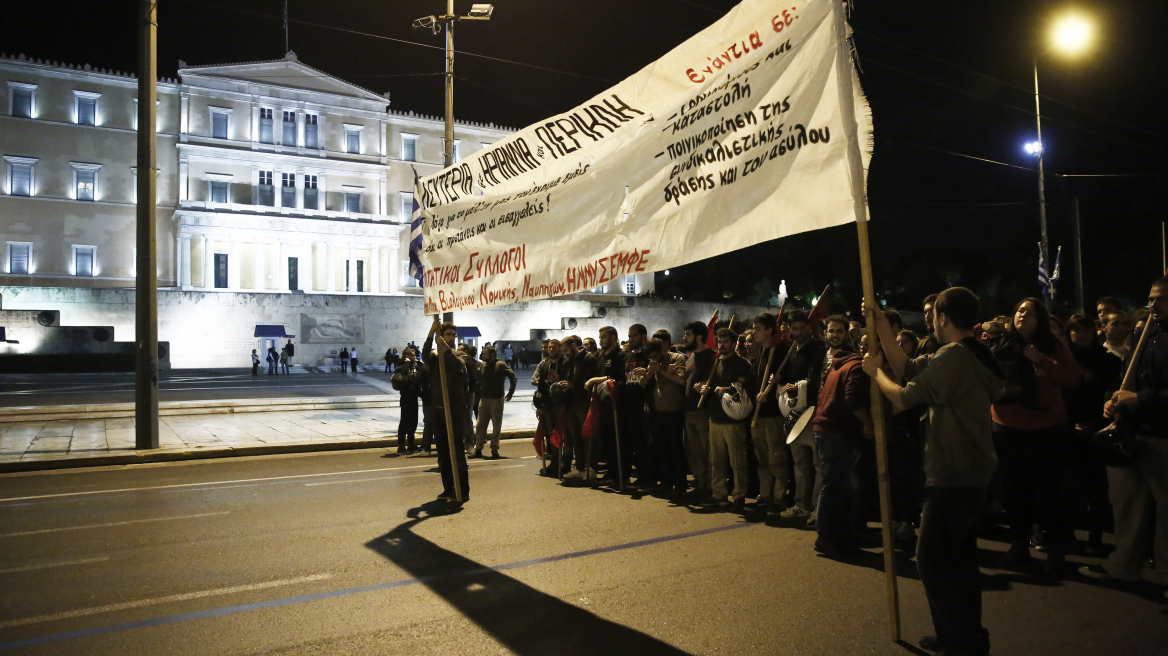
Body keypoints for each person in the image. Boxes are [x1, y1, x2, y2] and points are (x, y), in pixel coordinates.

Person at [864, 286, 1003, 656]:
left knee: (933, 560)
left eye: (932, 317)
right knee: (959, 559)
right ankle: (963, 634)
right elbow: (908, 367)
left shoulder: (956, 356)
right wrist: (881, 326)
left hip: (955, 472)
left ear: (942, 318)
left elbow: (906, 394)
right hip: (966, 469)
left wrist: (876, 374)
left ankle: (959, 641)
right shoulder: (965, 353)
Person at [1081, 278, 1168, 596]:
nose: (1154, 304)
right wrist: (1111, 398)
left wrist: (1140, 398)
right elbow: (1123, 377)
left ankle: (1165, 574)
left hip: (1163, 435)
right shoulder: (1148, 334)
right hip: (1133, 434)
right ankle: (1124, 566)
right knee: (1126, 504)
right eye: (1151, 298)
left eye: (1161, 299)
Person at [991, 297, 1082, 572]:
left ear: (1040, 319)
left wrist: (1040, 359)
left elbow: (1073, 378)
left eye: (1029, 313)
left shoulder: (1053, 345)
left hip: (1045, 428)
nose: (1022, 316)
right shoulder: (1000, 344)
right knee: (1015, 492)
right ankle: (1019, 546)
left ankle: (1055, 550)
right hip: (1006, 426)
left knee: (1048, 492)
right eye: (1019, 310)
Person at [810, 317, 872, 555]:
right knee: (833, 485)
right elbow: (852, 399)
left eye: (839, 331)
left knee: (837, 483)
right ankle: (826, 536)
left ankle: (839, 531)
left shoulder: (839, 363)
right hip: (835, 430)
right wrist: (867, 423)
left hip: (827, 428)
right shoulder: (854, 365)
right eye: (831, 331)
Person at [1062, 313, 1122, 555]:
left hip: (1097, 431)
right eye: (1076, 329)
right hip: (1065, 431)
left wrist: (1094, 424)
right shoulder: (1061, 360)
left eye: (1086, 329)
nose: (1082, 334)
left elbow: (1111, 392)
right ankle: (1068, 536)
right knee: (1068, 487)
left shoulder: (1108, 361)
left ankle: (1095, 537)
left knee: (1097, 488)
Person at [776, 310, 828, 523]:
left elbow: (815, 381)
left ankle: (818, 507)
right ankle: (801, 505)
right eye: (794, 329)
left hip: (813, 411)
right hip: (795, 413)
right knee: (800, 464)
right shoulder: (792, 352)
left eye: (801, 328)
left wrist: (800, 389)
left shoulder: (819, 350)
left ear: (810, 327)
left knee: (817, 464)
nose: (798, 332)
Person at [700, 327, 756, 512]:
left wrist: (725, 389)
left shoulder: (742, 363)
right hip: (715, 417)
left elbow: (743, 386)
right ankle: (719, 493)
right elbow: (709, 383)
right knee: (716, 459)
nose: (721, 345)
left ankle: (739, 494)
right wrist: (703, 388)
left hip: (733, 418)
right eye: (719, 341)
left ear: (733, 344)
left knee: (737, 459)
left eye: (725, 342)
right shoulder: (715, 361)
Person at [423, 318, 470, 502]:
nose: (450, 337)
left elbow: (458, 367)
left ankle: (462, 489)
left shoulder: (459, 355)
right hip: (438, 409)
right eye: (447, 335)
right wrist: (431, 331)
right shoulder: (435, 357)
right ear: (440, 336)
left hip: (455, 409)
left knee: (456, 452)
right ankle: (448, 488)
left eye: (452, 335)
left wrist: (446, 350)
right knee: (443, 452)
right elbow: (425, 355)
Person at [749, 313, 790, 513]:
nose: (754, 332)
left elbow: (785, 383)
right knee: (763, 459)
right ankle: (765, 494)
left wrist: (773, 390)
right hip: (758, 414)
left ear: (769, 330)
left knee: (777, 458)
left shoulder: (780, 352)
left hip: (773, 414)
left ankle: (779, 496)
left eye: (757, 329)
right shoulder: (762, 353)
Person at [644, 333, 688, 499]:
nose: (653, 359)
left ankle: (680, 483)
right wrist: (650, 372)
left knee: (675, 448)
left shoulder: (677, 358)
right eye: (651, 357)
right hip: (658, 410)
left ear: (662, 349)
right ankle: (666, 482)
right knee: (661, 448)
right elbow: (643, 382)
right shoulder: (654, 362)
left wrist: (661, 370)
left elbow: (682, 381)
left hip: (674, 409)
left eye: (655, 355)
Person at [683, 320, 716, 502]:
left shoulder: (712, 357)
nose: (684, 338)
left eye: (688, 334)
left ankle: (710, 486)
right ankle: (700, 481)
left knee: (706, 450)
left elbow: (716, 379)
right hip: (688, 410)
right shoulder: (691, 357)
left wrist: (707, 385)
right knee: (693, 450)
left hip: (703, 411)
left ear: (699, 337)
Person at [474, 344, 516, 459]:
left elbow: (513, 376)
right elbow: (479, 379)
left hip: (497, 399)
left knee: (496, 425)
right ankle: (478, 448)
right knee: (480, 424)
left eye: (485, 353)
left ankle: (494, 449)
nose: (483, 355)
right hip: (484, 399)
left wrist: (510, 392)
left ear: (492, 354)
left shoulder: (500, 365)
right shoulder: (483, 365)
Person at [394, 348, 422, 454]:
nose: (414, 357)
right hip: (405, 396)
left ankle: (411, 444)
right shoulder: (401, 363)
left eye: (414, 355)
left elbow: (424, 369)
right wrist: (406, 362)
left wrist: (418, 363)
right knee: (404, 421)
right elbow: (402, 372)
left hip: (414, 396)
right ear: (406, 356)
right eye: (412, 355)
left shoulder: (416, 365)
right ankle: (401, 445)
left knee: (413, 421)